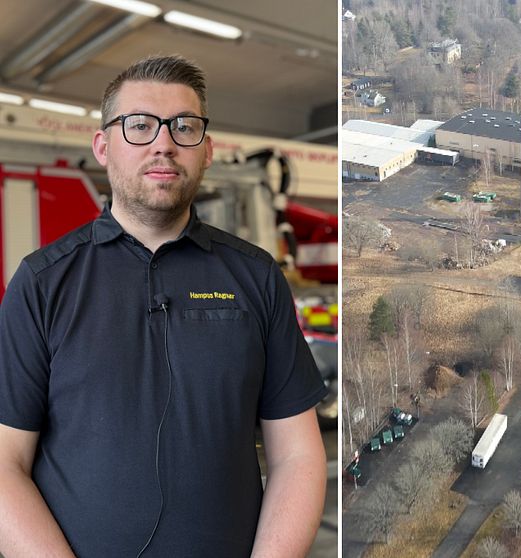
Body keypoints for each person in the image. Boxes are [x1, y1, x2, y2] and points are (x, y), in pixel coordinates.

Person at [0, 55, 328, 557]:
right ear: (103, 146)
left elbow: (298, 457)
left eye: (184, 126)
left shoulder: (256, 277)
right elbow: (5, 465)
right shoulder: (43, 283)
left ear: (207, 150)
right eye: (139, 125)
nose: (164, 142)